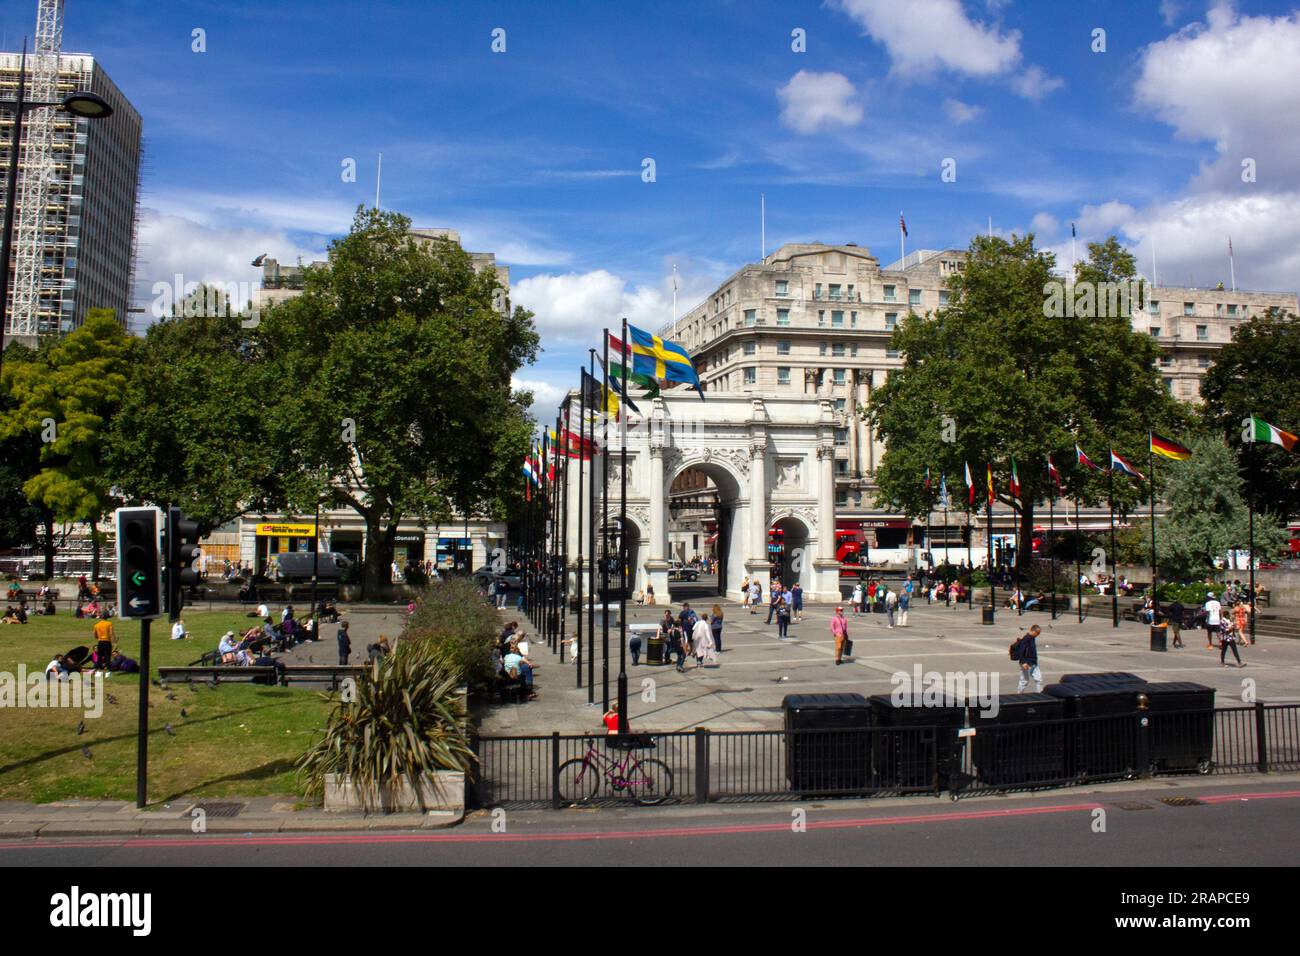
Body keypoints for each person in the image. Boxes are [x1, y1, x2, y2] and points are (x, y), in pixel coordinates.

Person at [1013, 624, 1043, 693]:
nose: (1038, 634)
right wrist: (1023, 662)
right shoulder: (1026, 639)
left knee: (1039, 679)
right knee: (1024, 681)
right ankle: (1019, 694)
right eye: (1037, 633)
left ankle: (1040, 694)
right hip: (1027, 663)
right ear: (1033, 631)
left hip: (1033, 663)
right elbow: (1021, 651)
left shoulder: (1032, 638)